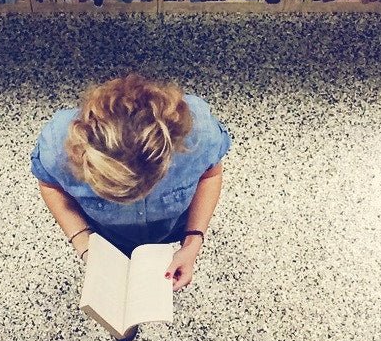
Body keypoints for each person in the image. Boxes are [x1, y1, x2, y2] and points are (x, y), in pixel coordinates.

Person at [31, 74, 231, 292]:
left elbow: (210, 175)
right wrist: (85, 245)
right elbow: (50, 185)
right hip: (107, 236)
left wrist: (192, 243)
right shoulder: (57, 146)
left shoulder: (198, 131)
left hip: (172, 229)